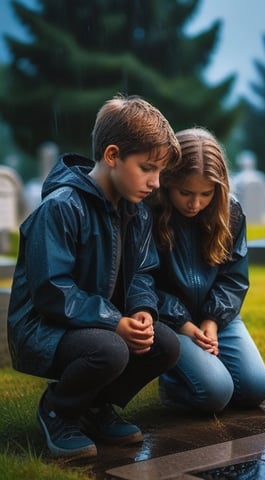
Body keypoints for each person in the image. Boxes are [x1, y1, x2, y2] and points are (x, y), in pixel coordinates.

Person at [7, 95, 181, 459]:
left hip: (100, 324)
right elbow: (52, 291)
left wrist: (142, 309)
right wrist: (114, 321)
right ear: (113, 155)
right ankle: (58, 410)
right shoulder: (61, 208)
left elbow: (142, 273)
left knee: (164, 344)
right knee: (110, 349)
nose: (155, 182)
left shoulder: (138, 212)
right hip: (44, 327)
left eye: (160, 172)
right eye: (148, 167)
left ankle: (94, 408)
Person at [149, 127, 265, 415]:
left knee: (255, 389)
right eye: (185, 193)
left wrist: (213, 320)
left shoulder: (231, 212)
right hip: (169, 321)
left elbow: (234, 277)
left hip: (217, 318)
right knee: (215, 394)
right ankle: (170, 380)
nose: (195, 203)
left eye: (206, 194)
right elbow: (144, 281)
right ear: (168, 181)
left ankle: (203, 370)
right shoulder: (150, 213)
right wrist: (183, 323)